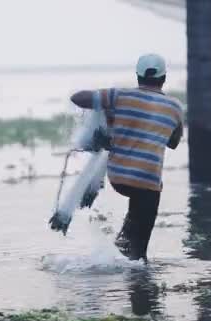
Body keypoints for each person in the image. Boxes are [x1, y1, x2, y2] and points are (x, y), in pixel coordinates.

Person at [70, 54, 183, 261]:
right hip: (147, 182)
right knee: (140, 252)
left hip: (119, 178)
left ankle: (120, 247)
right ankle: (136, 260)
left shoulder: (120, 96)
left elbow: (77, 98)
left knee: (137, 208)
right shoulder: (175, 107)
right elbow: (173, 143)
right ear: (164, 78)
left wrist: (104, 105)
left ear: (138, 77)